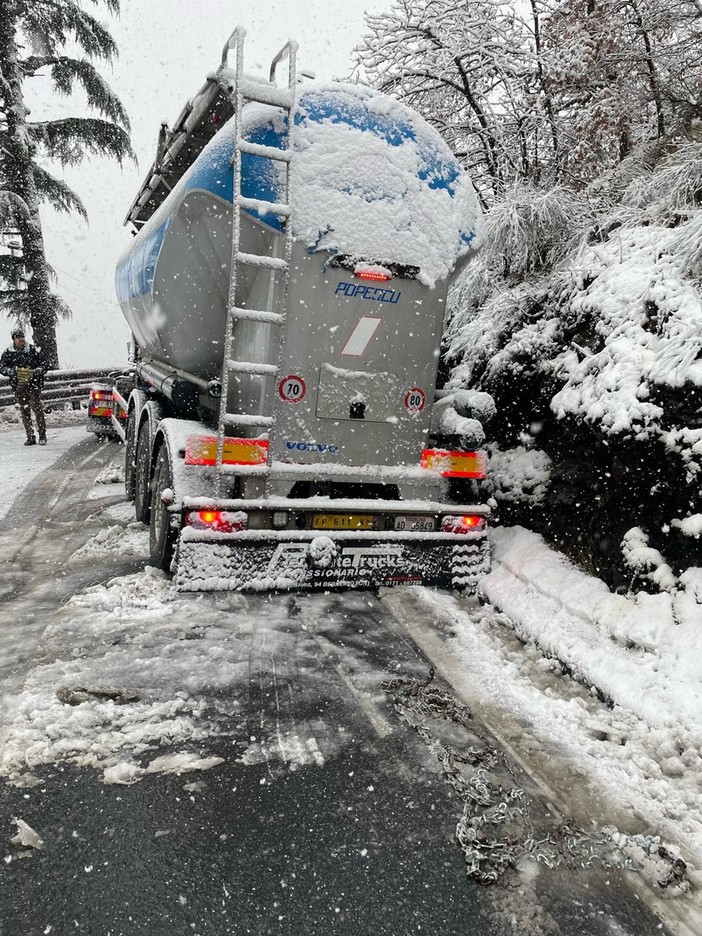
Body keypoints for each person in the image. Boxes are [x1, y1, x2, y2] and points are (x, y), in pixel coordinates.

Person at [0, 327, 47, 446]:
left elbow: (44, 363)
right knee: (25, 411)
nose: (21, 339)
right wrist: (9, 371)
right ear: (14, 339)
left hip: (34, 384)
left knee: (37, 409)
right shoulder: (8, 353)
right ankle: (30, 436)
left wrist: (39, 369)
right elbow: (2, 367)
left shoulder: (32, 350)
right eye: (18, 337)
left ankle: (42, 434)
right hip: (19, 386)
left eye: (22, 337)